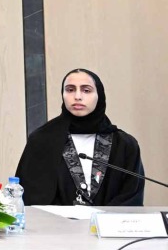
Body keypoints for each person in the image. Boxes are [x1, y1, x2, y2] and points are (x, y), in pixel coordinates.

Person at [15, 69, 144, 206]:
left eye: (86, 90)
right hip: (55, 220)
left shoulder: (124, 144)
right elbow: (29, 196)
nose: (77, 96)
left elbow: (131, 196)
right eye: (70, 90)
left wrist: (100, 217)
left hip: (110, 220)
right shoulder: (42, 140)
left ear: (99, 95)